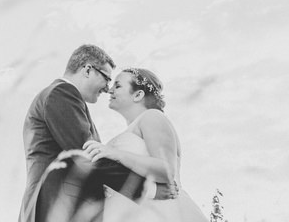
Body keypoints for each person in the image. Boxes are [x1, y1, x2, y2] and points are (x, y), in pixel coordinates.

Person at [19, 44, 148, 222]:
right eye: (106, 78)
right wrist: (145, 187)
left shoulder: (61, 96)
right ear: (87, 70)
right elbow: (86, 155)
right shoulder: (62, 93)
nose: (107, 88)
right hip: (57, 208)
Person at [83, 68, 207, 222]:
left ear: (138, 95)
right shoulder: (133, 127)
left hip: (159, 212)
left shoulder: (152, 117)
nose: (110, 90)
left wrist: (116, 154)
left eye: (118, 85)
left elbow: (166, 170)